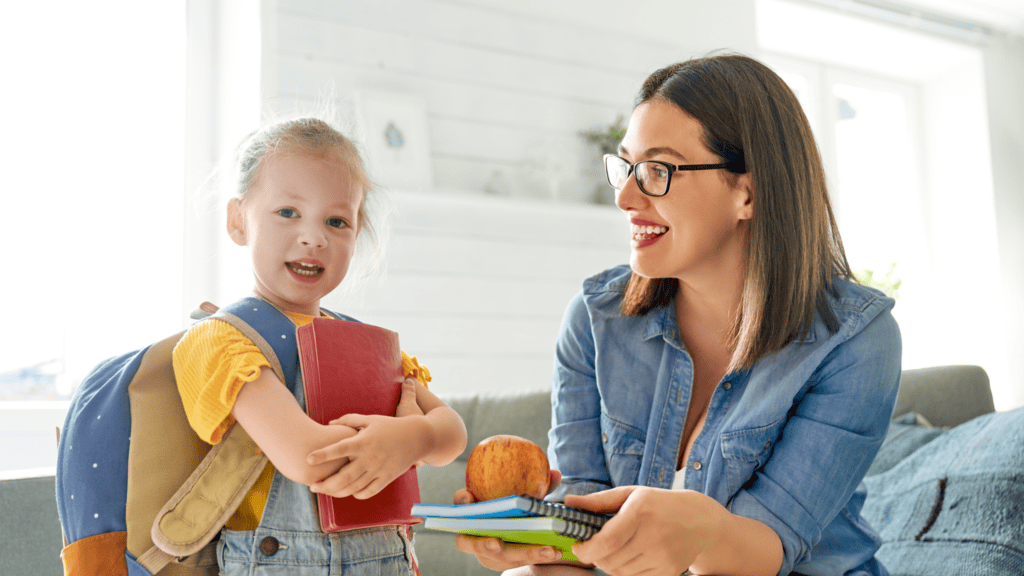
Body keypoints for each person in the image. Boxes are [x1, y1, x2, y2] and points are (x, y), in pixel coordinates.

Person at [455, 53, 902, 576]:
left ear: (748, 193)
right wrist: (533, 553)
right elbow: (581, 540)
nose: (625, 197)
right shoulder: (594, 320)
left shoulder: (854, 341)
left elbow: (771, 547)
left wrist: (701, 528)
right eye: (625, 167)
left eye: (657, 170)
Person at [172, 117, 468, 575]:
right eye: (288, 212)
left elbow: (451, 435)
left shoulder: (365, 344)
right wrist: (401, 440)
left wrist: (417, 436)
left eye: (336, 221)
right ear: (237, 220)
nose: (314, 236)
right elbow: (309, 458)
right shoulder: (223, 340)